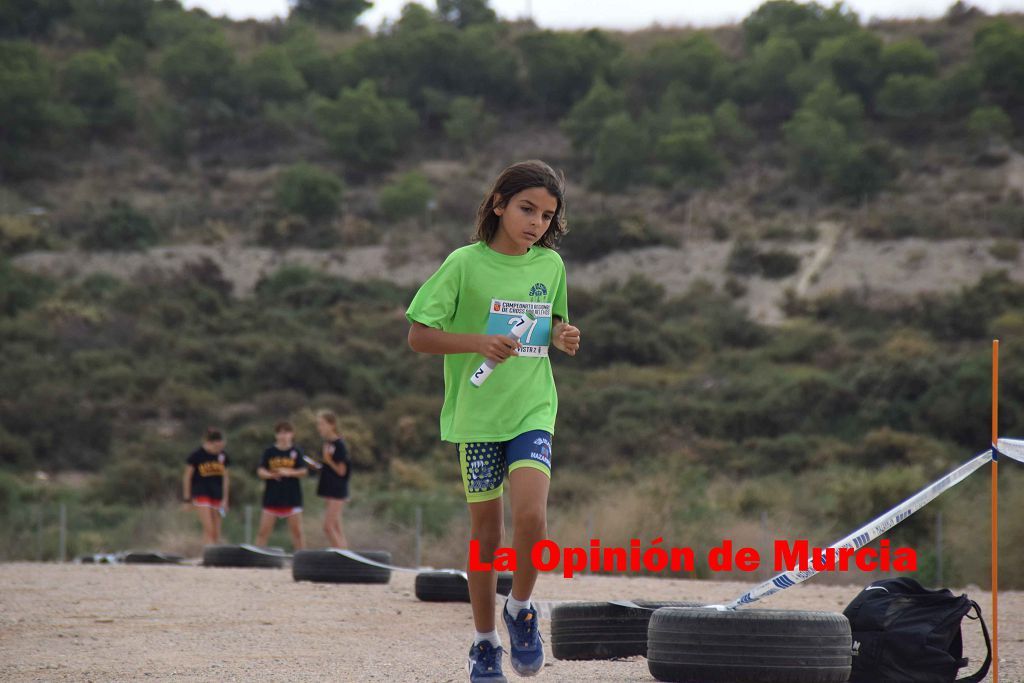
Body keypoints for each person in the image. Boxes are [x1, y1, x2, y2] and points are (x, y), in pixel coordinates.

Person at [406, 160, 581, 682]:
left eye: (547, 216)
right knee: (487, 535)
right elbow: (418, 335)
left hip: (532, 409)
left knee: (533, 519)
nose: (536, 223)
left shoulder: (550, 266)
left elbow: (552, 324)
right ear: (499, 204)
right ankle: (484, 644)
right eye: (527, 209)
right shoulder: (464, 263)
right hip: (477, 419)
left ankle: (521, 608)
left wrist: (563, 336)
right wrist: (477, 342)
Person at [255, 421, 308, 550]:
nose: (283, 436)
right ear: (276, 435)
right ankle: (256, 558)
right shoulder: (269, 452)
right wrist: (270, 475)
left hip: (292, 496)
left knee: (297, 533)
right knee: (263, 532)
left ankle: (302, 559)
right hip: (272, 496)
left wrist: (288, 472)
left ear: (292, 434)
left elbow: (303, 471)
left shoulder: (297, 451)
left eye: (286, 432)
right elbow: (260, 470)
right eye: (280, 433)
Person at [182, 427, 230, 545]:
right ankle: (207, 554)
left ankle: (208, 554)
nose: (218, 449)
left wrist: (225, 499)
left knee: (216, 532)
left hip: (217, 494)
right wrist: (187, 499)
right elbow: (187, 477)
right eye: (216, 446)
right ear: (209, 443)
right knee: (209, 529)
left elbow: (226, 478)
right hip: (201, 493)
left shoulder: (223, 456)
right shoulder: (197, 455)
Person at [315, 410, 351, 548]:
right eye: (318, 424)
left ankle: (342, 558)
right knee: (336, 527)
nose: (320, 427)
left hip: (337, 489)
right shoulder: (328, 443)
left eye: (322, 424)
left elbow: (342, 471)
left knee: (328, 527)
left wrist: (328, 461)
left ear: (332, 425)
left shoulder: (339, 444)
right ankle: (345, 554)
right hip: (328, 487)